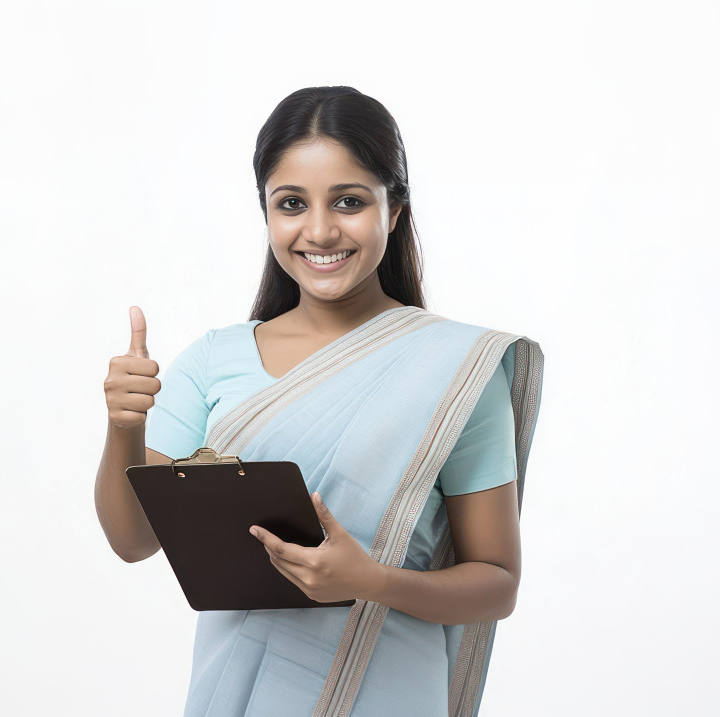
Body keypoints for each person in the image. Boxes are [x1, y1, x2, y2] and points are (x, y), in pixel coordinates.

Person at [94, 86, 545, 717]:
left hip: (390, 693)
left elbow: (497, 583)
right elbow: (133, 539)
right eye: (291, 204)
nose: (320, 230)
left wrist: (371, 581)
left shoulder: (456, 371)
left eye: (350, 201)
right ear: (267, 213)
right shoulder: (214, 360)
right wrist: (123, 426)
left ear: (394, 211)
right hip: (240, 693)